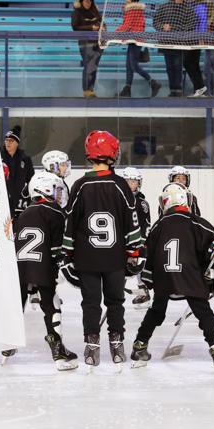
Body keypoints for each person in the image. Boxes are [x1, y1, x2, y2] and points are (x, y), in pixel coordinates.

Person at [130, 183, 214, 374]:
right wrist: (209, 270)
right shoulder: (196, 222)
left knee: (157, 311)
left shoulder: (158, 226)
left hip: (164, 275)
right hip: (188, 274)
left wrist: (148, 281)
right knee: (203, 312)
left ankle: (139, 346)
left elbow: (149, 256)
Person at [63, 130, 142, 370]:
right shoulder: (120, 185)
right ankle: (117, 346)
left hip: (87, 258)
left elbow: (70, 222)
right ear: (112, 154)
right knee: (115, 301)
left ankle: (91, 347)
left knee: (91, 302)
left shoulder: (79, 185)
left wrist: (67, 254)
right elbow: (132, 221)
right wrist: (134, 251)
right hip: (114, 258)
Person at [12, 171, 79, 370]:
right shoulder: (56, 213)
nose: (59, 194)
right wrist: (64, 264)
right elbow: (57, 247)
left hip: (20, 265)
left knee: (17, 304)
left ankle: (7, 343)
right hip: (43, 266)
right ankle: (57, 350)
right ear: (46, 189)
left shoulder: (24, 213)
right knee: (51, 304)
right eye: (57, 190)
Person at [118, 167, 152, 309]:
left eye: (134, 181)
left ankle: (143, 292)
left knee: (139, 266)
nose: (132, 184)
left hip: (136, 243)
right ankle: (116, 292)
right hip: (120, 243)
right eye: (128, 181)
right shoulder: (116, 200)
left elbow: (145, 225)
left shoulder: (142, 203)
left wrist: (141, 245)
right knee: (120, 269)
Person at [152, 0, 196, 97]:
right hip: (166, 43)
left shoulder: (188, 9)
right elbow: (155, 21)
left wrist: (174, 28)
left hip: (180, 44)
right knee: (169, 68)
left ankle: (178, 89)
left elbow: (191, 25)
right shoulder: (164, 7)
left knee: (178, 67)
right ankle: (172, 90)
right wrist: (162, 26)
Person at [116, 0, 161, 97]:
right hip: (133, 39)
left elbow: (127, 26)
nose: (125, 0)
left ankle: (153, 82)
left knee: (133, 65)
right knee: (128, 66)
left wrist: (115, 33)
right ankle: (127, 88)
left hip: (135, 39)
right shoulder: (134, 10)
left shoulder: (132, 10)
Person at [71, 0, 103, 98]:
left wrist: (102, 27)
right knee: (87, 65)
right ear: (81, 1)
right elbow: (75, 27)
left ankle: (91, 89)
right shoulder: (77, 12)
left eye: (89, 1)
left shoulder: (96, 12)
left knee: (94, 66)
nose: (87, 3)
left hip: (97, 42)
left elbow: (102, 23)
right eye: (85, 0)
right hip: (85, 43)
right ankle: (86, 90)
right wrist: (90, 27)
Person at [2, 126, 35, 218]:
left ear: (17, 143)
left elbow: (31, 181)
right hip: (2, 199)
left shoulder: (25, 159)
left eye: (11, 141)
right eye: (6, 140)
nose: (8, 143)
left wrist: (28, 198)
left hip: (20, 201)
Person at [184, 0, 209, 97]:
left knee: (189, 63)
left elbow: (203, 22)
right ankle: (199, 89)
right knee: (192, 64)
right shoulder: (191, 5)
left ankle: (201, 87)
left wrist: (201, 37)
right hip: (189, 37)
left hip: (195, 38)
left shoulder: (200, 6)